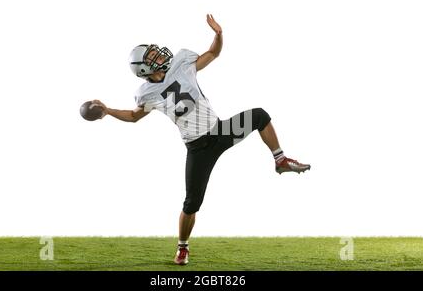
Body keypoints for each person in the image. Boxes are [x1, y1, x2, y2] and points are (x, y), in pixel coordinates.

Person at [92, 14, 310, 265]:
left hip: (220, 132)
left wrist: (218, 35)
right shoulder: (146, 93)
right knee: (192, 203)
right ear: (144, 69)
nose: (160, 56)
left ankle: (280, 160)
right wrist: (107, 111)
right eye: (153, 57)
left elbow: (212, 54)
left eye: (156, 52)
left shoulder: (182, 63)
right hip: (198, 148)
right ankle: (182, 247)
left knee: (260, 116)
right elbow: (133, 116)